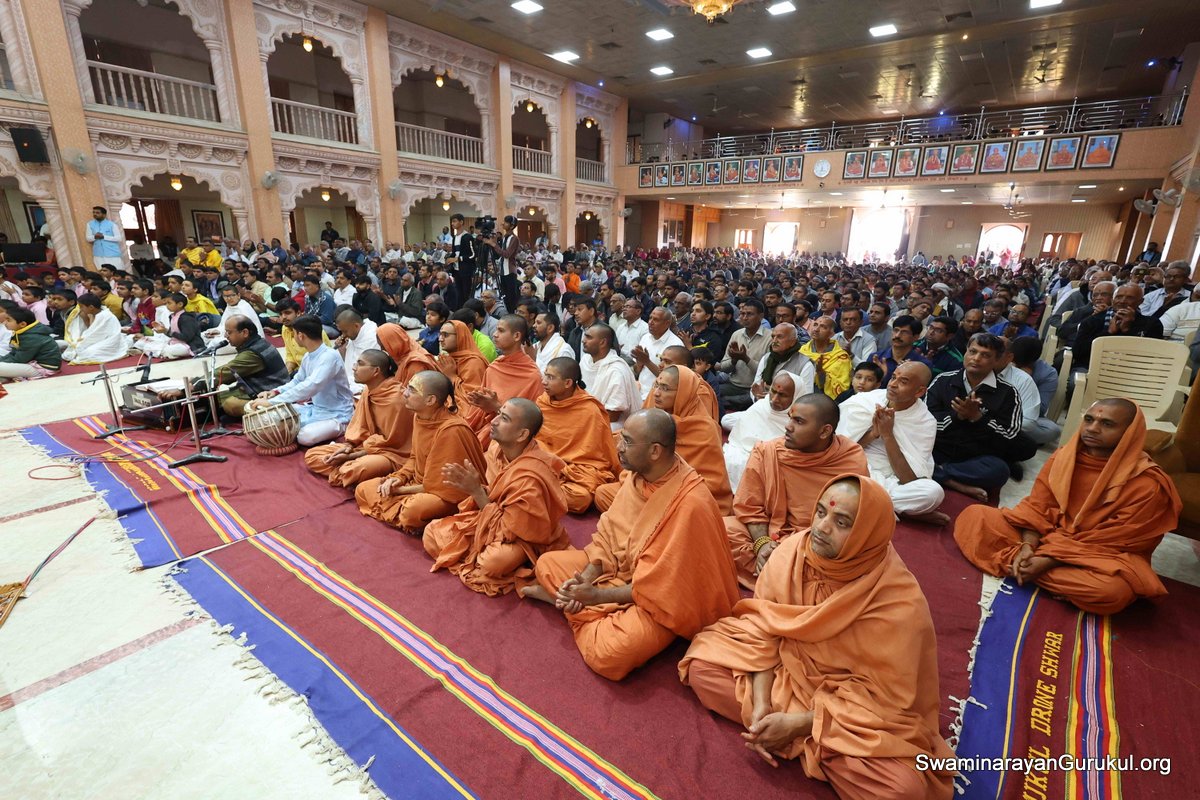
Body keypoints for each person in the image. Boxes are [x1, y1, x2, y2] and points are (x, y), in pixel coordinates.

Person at [679, 476, 955, 800]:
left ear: (867, 533)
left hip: (847, 714)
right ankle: (799, 740)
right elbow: (762, 631)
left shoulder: (899, 605)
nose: (822, 528)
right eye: (821, 512)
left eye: (841, 522)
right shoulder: (794, 552)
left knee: (903, 790)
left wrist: (799, 724)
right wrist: (761, 704)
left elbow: (886, 705)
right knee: (701, 666)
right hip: (784, 676)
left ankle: (795, 738)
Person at [522, 409, 739, 681]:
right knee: (547, 563)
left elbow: (662, 588)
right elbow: (608, 538)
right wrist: (585, 579)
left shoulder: (690, 503)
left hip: (661, 602)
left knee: (609, 654)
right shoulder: (640, 476)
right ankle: (581, 609)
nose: (618, 447)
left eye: (627, 441)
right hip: (621, 574)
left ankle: (572, 607)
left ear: (655, 451)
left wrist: (595, 597)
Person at [954, 400, 1181, 615]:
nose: (1092, 428)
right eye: (1089, 420)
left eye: (1107, 424)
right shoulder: (1064, 457)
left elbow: (1113, 541)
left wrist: (1047, 560)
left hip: (1097, 555)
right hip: (1045, 537)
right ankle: (1033, 570)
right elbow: (1038, 508)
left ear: (1129, 432)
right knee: (974, 516)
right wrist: (1027, 547)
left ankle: (1020, 568)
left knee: (1112, 591)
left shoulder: (1148, 483)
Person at [423, 398, 572, 595]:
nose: (493, 421)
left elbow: (511, 530)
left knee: (493, 563)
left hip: (523, 536)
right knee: (431, 533)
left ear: (522, 434)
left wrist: (476, 491)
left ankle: (518, 562)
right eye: (499, 414)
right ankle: (481, 557)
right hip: (491, 519)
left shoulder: (531, 475)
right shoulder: (495, 450)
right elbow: (493, 497)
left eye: (504, 418)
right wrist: (476, 491)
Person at [725, 394, 868, 589]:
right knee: (719, 527)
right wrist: (762, 543)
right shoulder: (767, 452)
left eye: (798, 421)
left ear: (824, 431)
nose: (788, 426)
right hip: (771, 534)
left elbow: (855, 520)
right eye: (790, 418)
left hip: (819, 539)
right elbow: (749, 506)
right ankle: (784, 572)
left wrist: (792, 546)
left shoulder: (851, 460)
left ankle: (781, 571)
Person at [354, 370, 488, 535]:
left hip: (446, 495)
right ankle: (406, 516)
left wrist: (400, 491)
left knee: (413, 511)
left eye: (412, 390)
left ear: (430, 400)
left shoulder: (451, 430)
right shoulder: (419, 417)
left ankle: (411, 515)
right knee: (363, 489)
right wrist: (399, 478)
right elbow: (414, 458)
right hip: (418, 485)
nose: (404, 393)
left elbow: (443, 487)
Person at [595, 364, 733, 513]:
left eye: (665, 388)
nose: (656, 393)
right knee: (603, 494)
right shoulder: (654, 413)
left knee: (688, 511)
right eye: (656, 385)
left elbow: (711, 484)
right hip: (646, 486)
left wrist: (665, 490)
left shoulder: (704, 429)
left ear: (683, 393)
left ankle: (651, 520)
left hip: (681, 496)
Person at [924, 333, 1033, 501]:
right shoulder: (943, 381)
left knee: (999, 471)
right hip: (938, 448)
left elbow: (1009, 436)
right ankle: (953, 482)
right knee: (905, 447)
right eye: (972, 351)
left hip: (975, 456)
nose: (976, 358)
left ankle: (936, 472)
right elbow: (925, 421)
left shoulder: (1008, 393)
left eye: (985, 355)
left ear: (997, 360)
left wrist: (978, 418)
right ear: (965, 352)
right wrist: (957, 416)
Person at [836, 362, 947, 525]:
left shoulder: (925, 421)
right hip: (855, 467)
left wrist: (888, 435)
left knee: (933, 493)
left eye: (903, 382)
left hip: (890, 480)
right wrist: (873, 434)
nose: (893, 384)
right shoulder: (865, 401)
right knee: (830, 468)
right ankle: (894, 509)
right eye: (893, 377)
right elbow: (838, 451)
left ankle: (861, 501)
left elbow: (910, 479)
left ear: (919, 391)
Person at [303, 349, 410, 488]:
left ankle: (349, 473)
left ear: (376, 371)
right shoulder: (368, 391)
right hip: (364, 448)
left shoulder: (396, 400)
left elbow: (393, 444)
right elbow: (359, 428)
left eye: (360, 364)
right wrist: (348, 447)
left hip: (391, 455)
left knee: (354, 469)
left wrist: (351, 457)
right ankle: (349, 475)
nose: (354, 368)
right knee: (312, 455)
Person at [245, 315, 355, 447]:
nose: (294, 337)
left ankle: (344, 426)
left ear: (301, 336)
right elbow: (297, 381)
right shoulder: (308, 356)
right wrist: (275, 392)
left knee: (305, 436)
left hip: (338, 414)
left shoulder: (330, 356)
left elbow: (311, 386)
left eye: (294, 334)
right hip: (315, 409)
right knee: (273, 418)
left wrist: (272, 402)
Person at [534, 358, 621, 513]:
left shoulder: (589, 409)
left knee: (581, 498)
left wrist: (563, 466)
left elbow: (598, 454)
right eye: (545, 375)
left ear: (568, 383)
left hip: (577, 469)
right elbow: (534, 439)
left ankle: (537, 491)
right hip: (545, 462)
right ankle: (542, 490)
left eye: (551, 377)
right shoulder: (542, 402)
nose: (544, 381)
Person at [459, 314, 544, 447]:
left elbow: (530, 420)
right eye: (496, 330)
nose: (495, 334)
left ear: (517, 336)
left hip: (511, 436)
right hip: (486, 427)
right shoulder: (494, 367)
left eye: (501, 330)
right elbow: (478, 409)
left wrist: (496, 407)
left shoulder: (532, 376)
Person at [722, 371, 797, 491]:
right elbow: (739, 438)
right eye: (773, 392)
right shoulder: (762, 405)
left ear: (795, 396)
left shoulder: (797, 420)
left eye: (782, 395)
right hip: (745, 451)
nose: (775, 399)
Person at [208, 315, 289, 417]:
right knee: (222, 395)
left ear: (245, 333)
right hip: (263, 390)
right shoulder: (257, 343)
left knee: (230, 404)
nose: (226, 336)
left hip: (273, 395)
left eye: (229, 332)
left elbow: (226, 372)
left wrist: (195, 383)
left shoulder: (253, 353)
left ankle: (268, 414)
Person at [1072, 284, 1164, 373]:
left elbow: (1152, 356)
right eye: (1119, 297)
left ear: (1141, 301)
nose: (1122, 301)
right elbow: (1078, 352)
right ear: (1112, 300)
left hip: (1134, 371)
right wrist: (1108, 332)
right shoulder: (1092, 320)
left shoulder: (1152, 324)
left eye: (1130, 298)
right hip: (1091, 367)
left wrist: (1127, 330)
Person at [579, 323, 640, 431]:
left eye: (589, 337)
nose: (583, 340)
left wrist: (583, 417)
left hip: (612, 423)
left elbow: (613, 415)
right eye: (585, 336)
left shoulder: (616, 370)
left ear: (602, 342)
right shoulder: (585, 360)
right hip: (586, 415)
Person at [718, 298, 770, 412]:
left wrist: (745, 358)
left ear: (761, 316)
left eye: (749, 314)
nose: (745, 317)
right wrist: (734, 360)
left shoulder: (770, 338)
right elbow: (723, 367)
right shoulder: (736, 335)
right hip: (733, 385)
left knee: (742, 400)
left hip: (754, 388)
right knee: (711, 391)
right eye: (742, 314)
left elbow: (765, 373)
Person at [630, 306, 685, 401]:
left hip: (657, 396)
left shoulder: (675, 345)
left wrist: (647, 362)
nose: (650, 322)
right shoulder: (645, 337)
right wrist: (639, 364)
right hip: (639, 391)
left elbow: (671, 379)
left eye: (656, 320)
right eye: (650, 318)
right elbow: (637, 370)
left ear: (667, 323)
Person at [750, 323, 814, 402]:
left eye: (780, 337)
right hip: (762, 404)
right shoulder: (766, 358)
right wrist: (757, 397)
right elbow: (755, 386)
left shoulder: (805, 364)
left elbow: (806, 397)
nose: (774, 341)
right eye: (773, 336)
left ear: (793, 341)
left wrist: (772, 398)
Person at [62, 293, 128, 364]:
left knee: (87, 353)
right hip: (101, 340)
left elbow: (96, 335)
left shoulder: (104, 316)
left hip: (110, 342)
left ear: (91, 307)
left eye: (81, 307)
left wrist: (82, 342)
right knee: (71, 352)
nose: (80, 309)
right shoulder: (97, 314)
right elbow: (92, 333)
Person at [0, 307, 61, 381]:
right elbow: (13, 353)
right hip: (30, 362)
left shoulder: (32, 337)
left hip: (42, 368)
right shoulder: (24, 332)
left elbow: (19, 359)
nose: (5, 323)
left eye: (8, 320)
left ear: (22, 324)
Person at [799, 316, 852, 400]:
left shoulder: (840, 356)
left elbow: (841, 388)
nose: (816, 329)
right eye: (815, 325)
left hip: (824, 400)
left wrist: (821, 373)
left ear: (831, 334)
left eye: (823, 327)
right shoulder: (803, 351)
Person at [275, 298, 331, 372]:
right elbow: (290, 355)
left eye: (287, 313)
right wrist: (288, 371)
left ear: (298, 313)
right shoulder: (285, 329)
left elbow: (325, 360)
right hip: (300, 370)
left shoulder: (311, 329)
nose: (283, 317)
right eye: (280, 314)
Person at [874, 315, 932, 387]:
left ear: (915, 337)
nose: (897, 335)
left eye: (904, 332)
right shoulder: (876, 358)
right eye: (896, 330)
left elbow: (919, 390)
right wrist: (881, 378)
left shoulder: (923, 364)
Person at [333, 308, 379, 395]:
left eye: (345, 331)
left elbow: (366, 374)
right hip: (350, 381)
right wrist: (342, 349)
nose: (343, 335)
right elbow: (349, 365)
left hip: (363, 386)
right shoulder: (355, 333)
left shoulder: (372, 338)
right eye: (341, 332)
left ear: (356, 326)